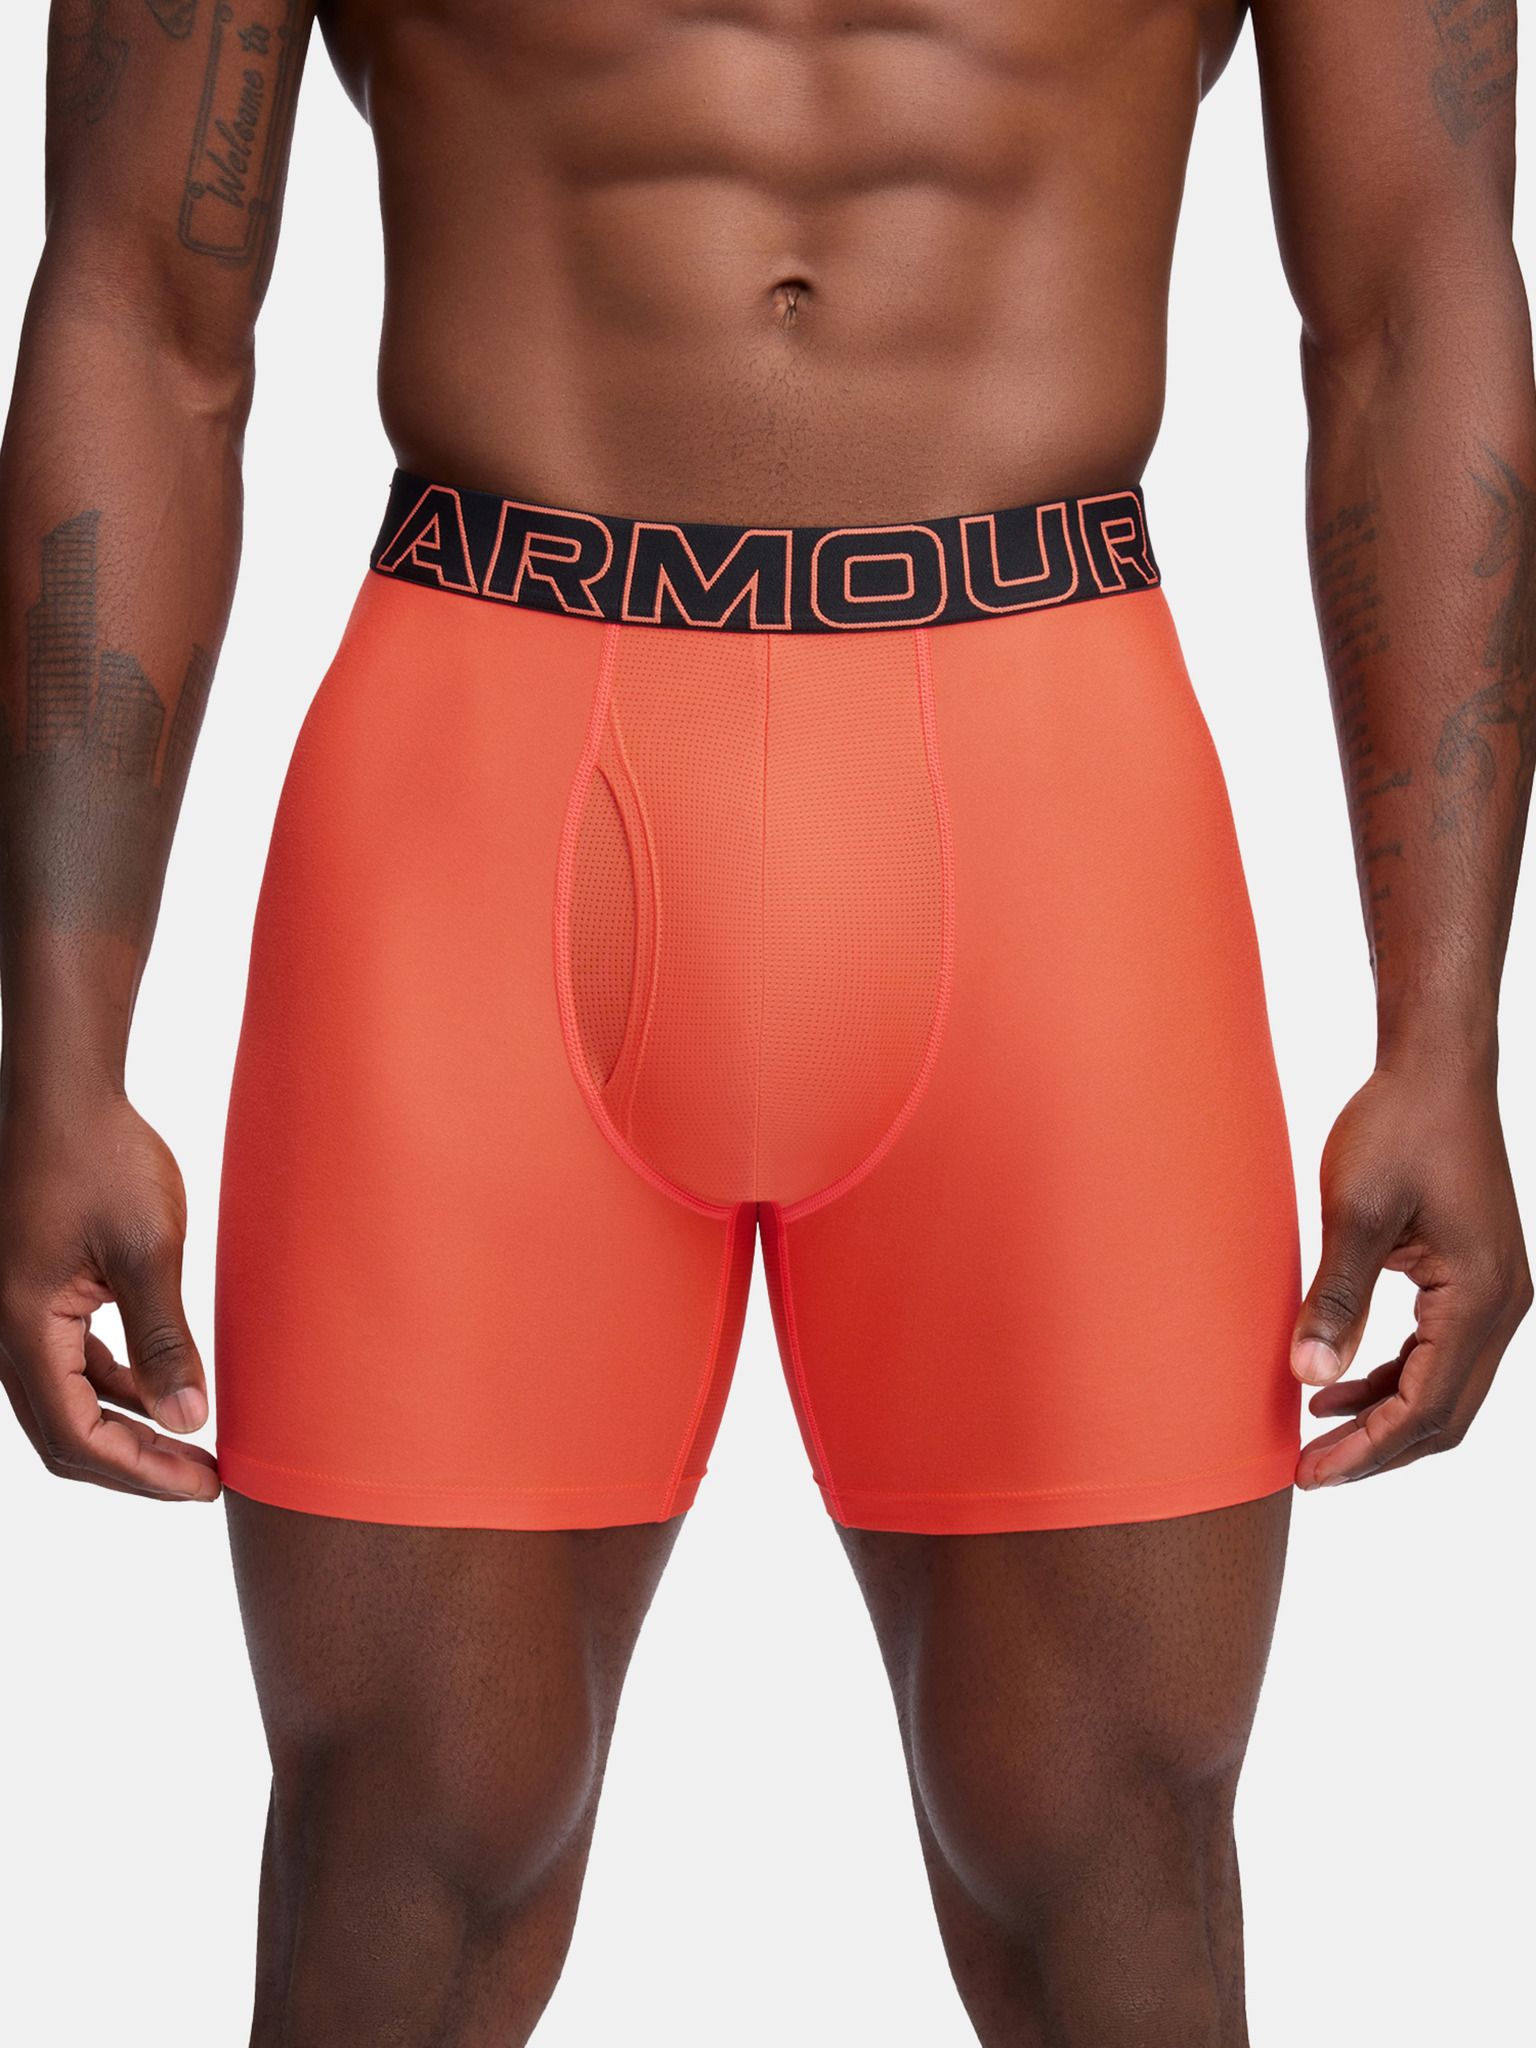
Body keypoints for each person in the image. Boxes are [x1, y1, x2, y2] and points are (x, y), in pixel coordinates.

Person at [0, 2, 1530, 2043]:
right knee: (399, 1863)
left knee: (1115, 1875)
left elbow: (1415, 301)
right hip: (476, 802)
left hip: (1054, 812)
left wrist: (1447, 1030)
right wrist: (58, 1052)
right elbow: (138, 310)